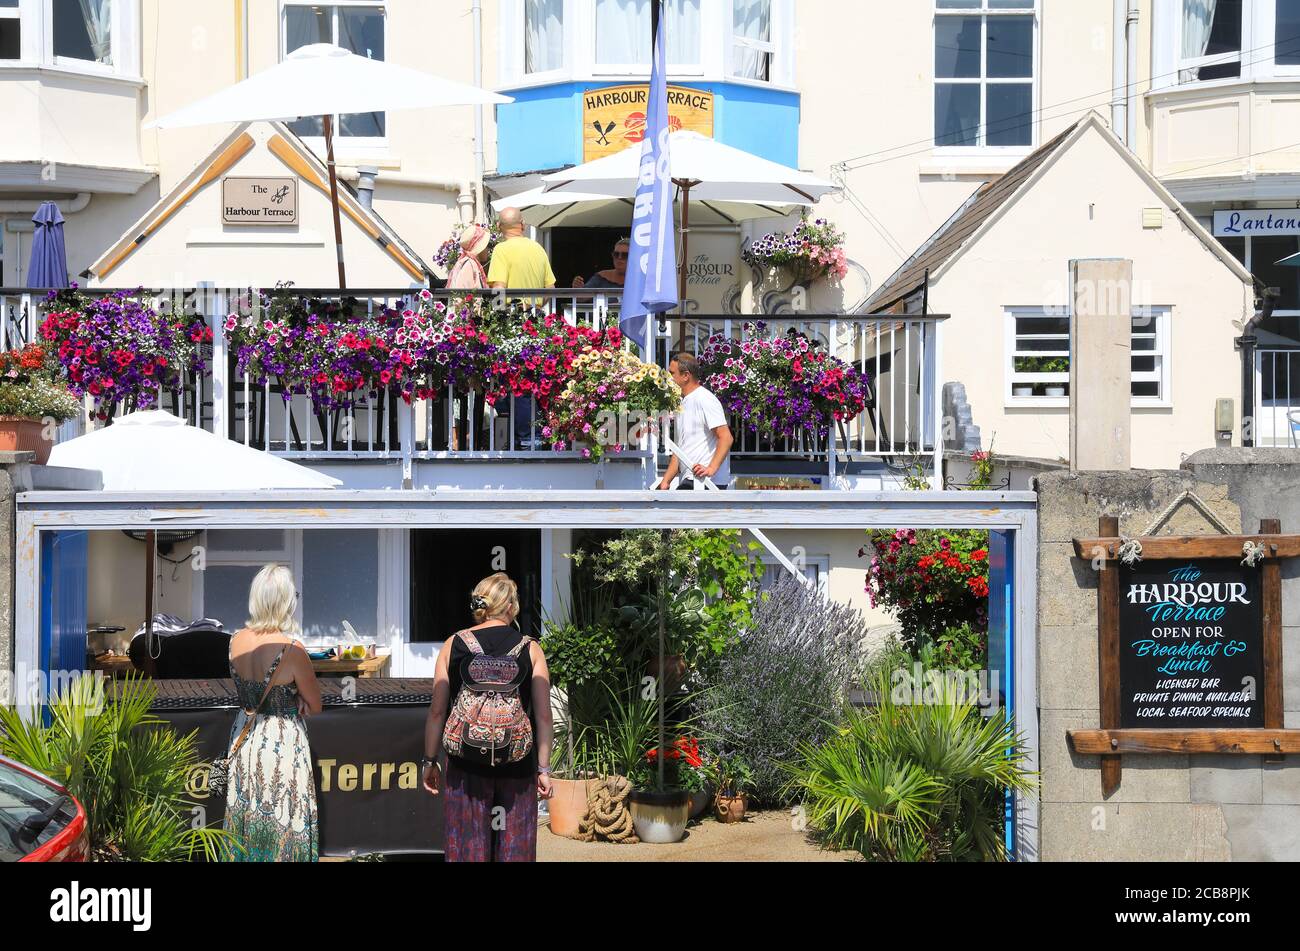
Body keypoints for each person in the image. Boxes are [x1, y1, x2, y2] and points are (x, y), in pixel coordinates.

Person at [421, 573, 554, 862]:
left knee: (466, 848)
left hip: (465, 765)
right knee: (515, 849)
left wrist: (429, 761)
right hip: (517, 767)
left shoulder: (453, 644)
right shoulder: (531, 649)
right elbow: (544, 715)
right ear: (511, 607)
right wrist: (544, 769)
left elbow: (437, 711)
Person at [223, 564, 322, 862]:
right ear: (285, 601)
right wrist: (298, 701)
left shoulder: (235, 640)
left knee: (247, 816)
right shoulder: (292, 649)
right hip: (281, 741)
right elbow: (315, 705)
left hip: (245, 735)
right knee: (283, 821)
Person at [488, 207, 556, 448]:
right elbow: (550, 289)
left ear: (499, 228)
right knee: (532, 378)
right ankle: (535, 435)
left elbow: (498, 288)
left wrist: (495, 321)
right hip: (535, 320)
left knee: (512, 380)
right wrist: (534, 305)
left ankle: (525, 438)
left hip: (511, 320)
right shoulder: (537, 248)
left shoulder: (501, 249)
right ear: (523, 225)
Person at [657, 352, 734, 490]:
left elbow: (726, 437)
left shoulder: (705, 399)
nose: (668, 378)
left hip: (706, 483)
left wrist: (711, 469)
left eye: (672, 373)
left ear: (686, 375)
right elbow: (681, 449)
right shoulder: (683, 402)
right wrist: (665, 482)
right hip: (692, 480)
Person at [446, 223, 492, 290]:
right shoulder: (469, 265)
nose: (488, 249)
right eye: (487, 245)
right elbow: (461, 294)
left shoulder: (470, 263)